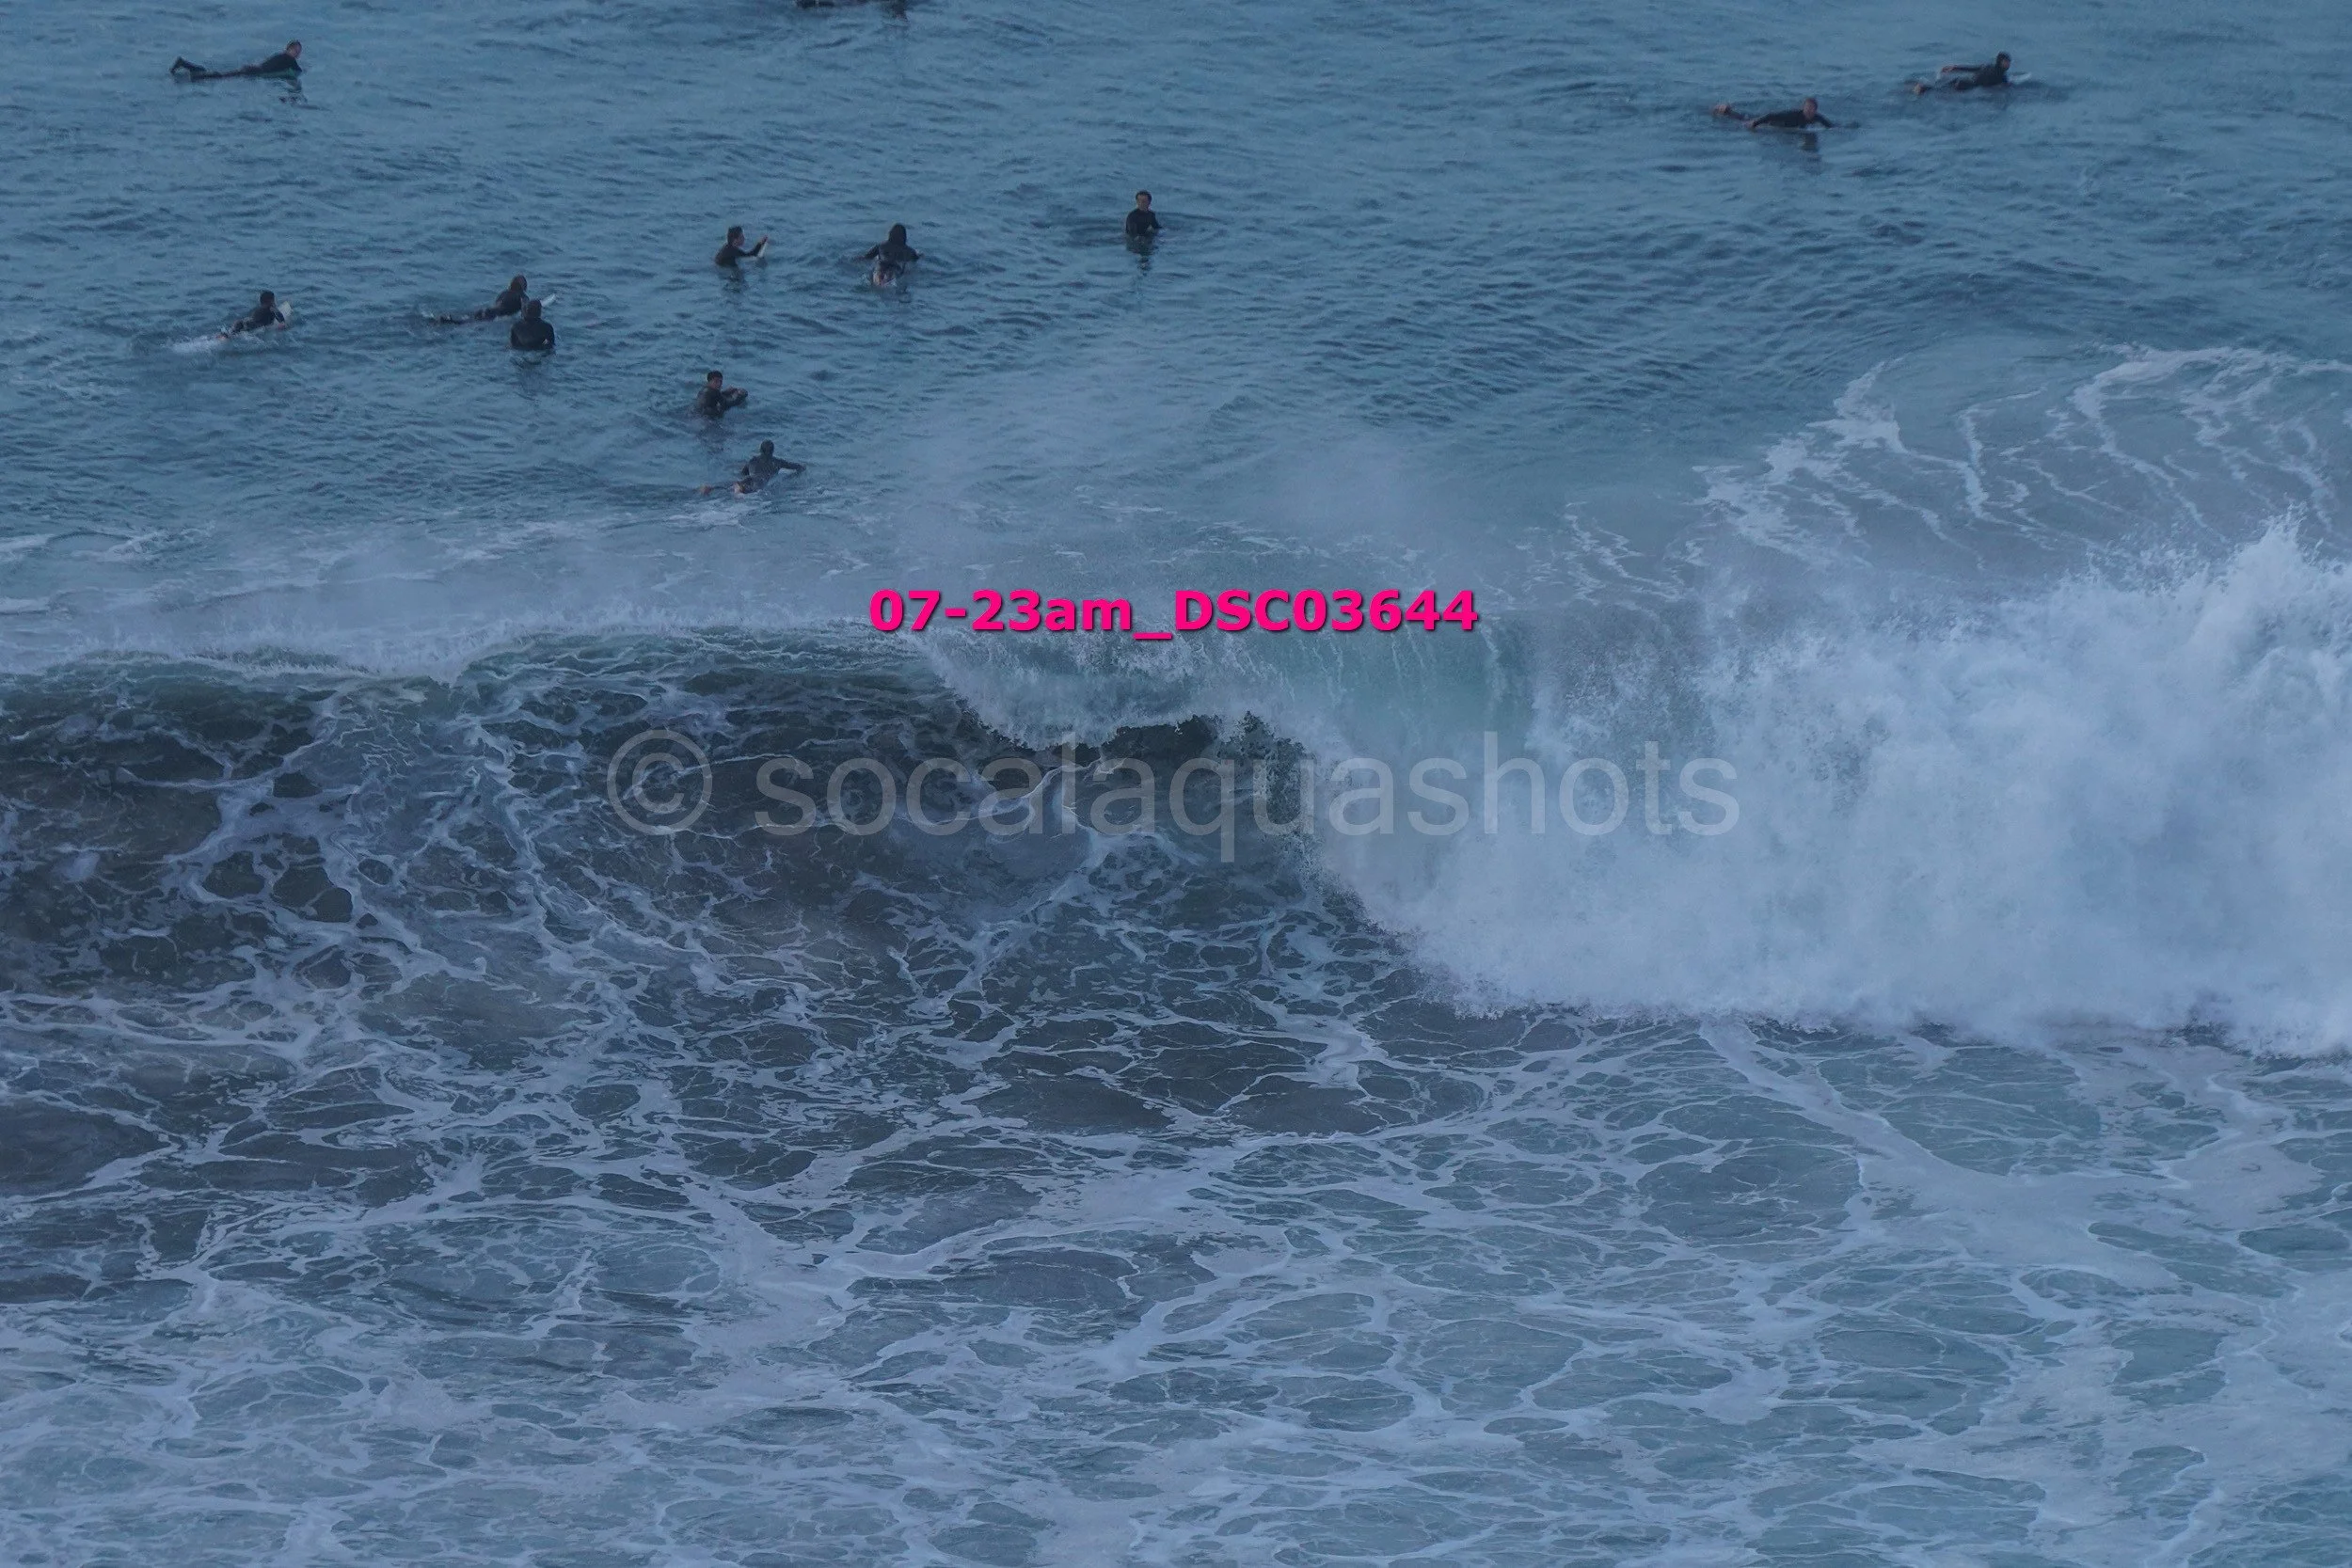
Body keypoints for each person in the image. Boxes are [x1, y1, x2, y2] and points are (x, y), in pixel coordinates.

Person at [704, 440, 805, 494]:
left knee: (733, 484)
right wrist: (802, 469)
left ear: (760, 450)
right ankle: (740, 489)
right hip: (761, 480)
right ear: (773, 451)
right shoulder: (777, 462)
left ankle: (710, 488)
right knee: (752, 490)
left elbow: (743, 473)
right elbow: (796, 467)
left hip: (750, 477)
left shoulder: (752, 460)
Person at [172, 40, 301, 81]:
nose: (297, 54)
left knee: (221, 75)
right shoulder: (289, 60)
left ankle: (186, 65)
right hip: (252, 72)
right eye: (296, 51)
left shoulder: (279, 55)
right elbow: (298, 71)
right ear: (288, 49)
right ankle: (194, 75)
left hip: (251, 69)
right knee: (220, 76)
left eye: (298, 52)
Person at [438, 276, 529, 325]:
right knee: (467, 324)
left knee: (469, 320)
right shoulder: (522, 296)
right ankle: (449, 322)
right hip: (495, 315)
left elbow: (497, 304)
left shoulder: (503, 293)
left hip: (486, 310)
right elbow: (526, 310)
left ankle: (448, 320)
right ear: (523, 286)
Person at [1714, 97, 1836, 132]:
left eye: (1811, 109)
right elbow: (1771, 115)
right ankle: (1725, 111)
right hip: (1771, 123)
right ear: (1803, 108)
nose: (1809, 111)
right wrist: (1755, 123)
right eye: (1807, 108)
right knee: (1744, 119)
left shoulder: (1817, 117)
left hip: (1784, 127)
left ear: (1815, 110)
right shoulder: (1793, 115)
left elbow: (1830, 126)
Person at [1913, 53, 2011, 94]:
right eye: (2006, 62)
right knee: (1940, 91)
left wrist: (1955, 68)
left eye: (2008, 62)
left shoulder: (1988, 66)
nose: (2008, 64)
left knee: (1939, 88)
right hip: (1967, 85)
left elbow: (1971, 69)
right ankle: (1922, 88)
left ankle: (1921, 87)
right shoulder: (2001, 77)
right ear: (2000, 62)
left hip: (1963, 80)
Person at [223, 291, 287, 337]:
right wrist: (282, 323)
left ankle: (225, 335)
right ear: (271, 301)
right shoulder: (271, 308)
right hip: (255, 326)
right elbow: (279, 316)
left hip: (244, 322)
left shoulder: (258, 309)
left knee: (233, 333)